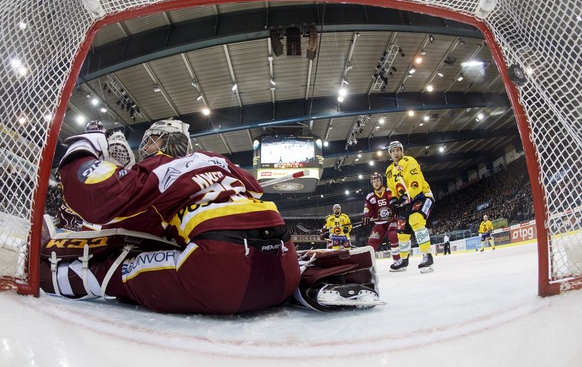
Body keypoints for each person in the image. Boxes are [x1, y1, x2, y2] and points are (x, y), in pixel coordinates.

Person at [39, 119, 381, 313]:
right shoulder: (219, 161)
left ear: (159, 142)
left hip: (221, 273)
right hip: (282, 264)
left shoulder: (159, 168)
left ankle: (44, 275)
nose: (144, 149)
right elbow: (254, 193)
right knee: (257, 244)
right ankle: (313, 277)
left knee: (119, 265)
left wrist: (85, 146)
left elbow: (100, 199)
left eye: (148, 141)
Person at [385, 141, 435, 273]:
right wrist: (393, 201)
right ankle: (403, 260)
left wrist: (404, 199)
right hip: (406, 201)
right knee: (401, 229)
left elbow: (416, 184)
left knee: (416, 220)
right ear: (390, 154)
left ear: (402, 151)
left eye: (398, 150)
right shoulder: (389, 170)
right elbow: (391, 189)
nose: (396, 153)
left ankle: (427, 256)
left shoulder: (409, 161)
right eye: (393, 151)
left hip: (422, 196)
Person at [362, 172, 402, 270]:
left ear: (381, 181)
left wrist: (397, 208)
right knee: (371, 243)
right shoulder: (370, 197)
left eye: (378, 181)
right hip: (379, 224)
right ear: (372, 183)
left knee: (392, 235)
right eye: (374, 181)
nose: (376, 183)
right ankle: (368, 265)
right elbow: (367, 208)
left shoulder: (389, 191)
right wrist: (366, 216)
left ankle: (398, 261)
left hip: (391, 220)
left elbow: (396, 201)